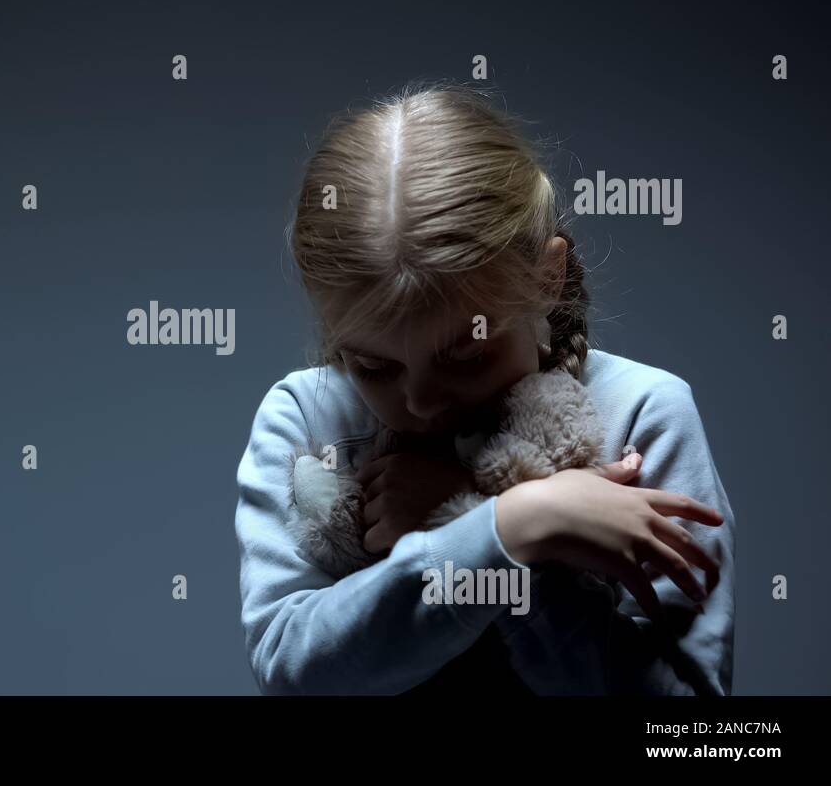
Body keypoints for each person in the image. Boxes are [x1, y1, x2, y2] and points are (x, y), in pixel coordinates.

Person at [234, 81, 735, 695]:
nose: (419, 403)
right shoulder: (307, 416)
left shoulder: (642, 413)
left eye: (466, 355)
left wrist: (515, 544)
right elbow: (294, 673)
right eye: (372, 366)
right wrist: (504, 526)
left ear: (549, 278)